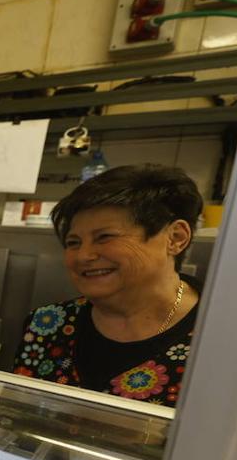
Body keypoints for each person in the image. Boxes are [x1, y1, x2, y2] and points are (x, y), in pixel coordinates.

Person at [13, 165, 203, 407]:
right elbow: (15, 421)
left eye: (105, 237)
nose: (83, 256)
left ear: (175, 238)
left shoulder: (222, 334)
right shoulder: (47, 325)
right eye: (74, 242)